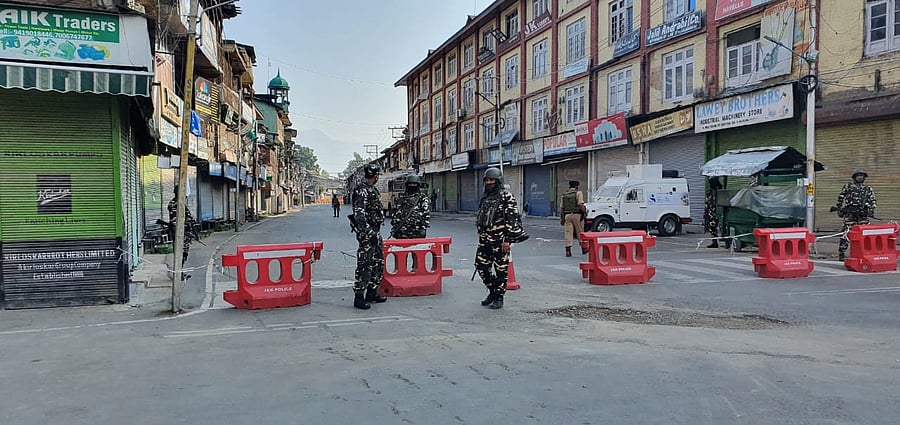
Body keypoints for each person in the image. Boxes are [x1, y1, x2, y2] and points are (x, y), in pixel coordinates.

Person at [475, 167, 528, 310]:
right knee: (481, 267)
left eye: (492, 180)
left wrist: (508, 240)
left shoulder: (506, 197)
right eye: (486, 180)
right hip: (485, 240)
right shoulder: (486, 197)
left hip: (500, 241)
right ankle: (492, 291)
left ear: (498, 181)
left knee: (501, 270)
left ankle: (499, 297)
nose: (489, 182)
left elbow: (513, 219)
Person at [350, 163, 388, 309]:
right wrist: (369, 232)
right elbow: (359, 214)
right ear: (376, 175)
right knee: (365, 264)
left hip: (375, 231)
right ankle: (359, 297)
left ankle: (372, 293)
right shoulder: (362, 191)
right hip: (368, 233)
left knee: (378, 263)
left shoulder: (373, 190)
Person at [834, 169, 877, 261]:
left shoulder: (867, 189)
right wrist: (839, 209)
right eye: (858, 175)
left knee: (865, 233)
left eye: (862, 175)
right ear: (854, 177)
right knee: (846, 232)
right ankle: (842, 252)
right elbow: (841, 197)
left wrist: (871, 210)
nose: (860, 177)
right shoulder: (848, 186)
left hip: (862, 215)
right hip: (850, 213)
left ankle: (864, 252)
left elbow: (872, 200)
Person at [167, 185, 196, 280]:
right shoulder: (174, 204)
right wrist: (182, 232)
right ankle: (177, 275)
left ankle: (179, 273)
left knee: (184, 254)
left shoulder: (180, 203)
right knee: (180, 254)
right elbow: (175, 222)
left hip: (185, 234)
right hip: (180, 235)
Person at [390, 174, 431, 239]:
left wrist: (422, 228)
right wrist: (395, 226)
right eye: (410, 184)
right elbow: (395, 212)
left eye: (414, 184)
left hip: (416, 231)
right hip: (401, 231)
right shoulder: (401, 197)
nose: (412, 185)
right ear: (406, 185)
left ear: (418, 185)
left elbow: (426, 215)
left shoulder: (422, 198)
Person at [559, 180, 587, 257]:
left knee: (568, 233)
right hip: (577, 215)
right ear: (576, 186)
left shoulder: (564, 195)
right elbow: (580, 204)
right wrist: (585, 213)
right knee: (580, 232)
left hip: (567, 215)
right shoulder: (578, 193)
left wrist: (562, 219)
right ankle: (583, 248)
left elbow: (562, 208)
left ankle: (568, 250)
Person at [705, 177, 723, 248]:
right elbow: (707, 203)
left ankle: (726, 241)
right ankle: (714, 242)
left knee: (722, 227)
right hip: (712, 213)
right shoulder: (710, 193)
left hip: (720, 213)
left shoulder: (721, 192)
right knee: (712, 228)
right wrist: (706, 212)